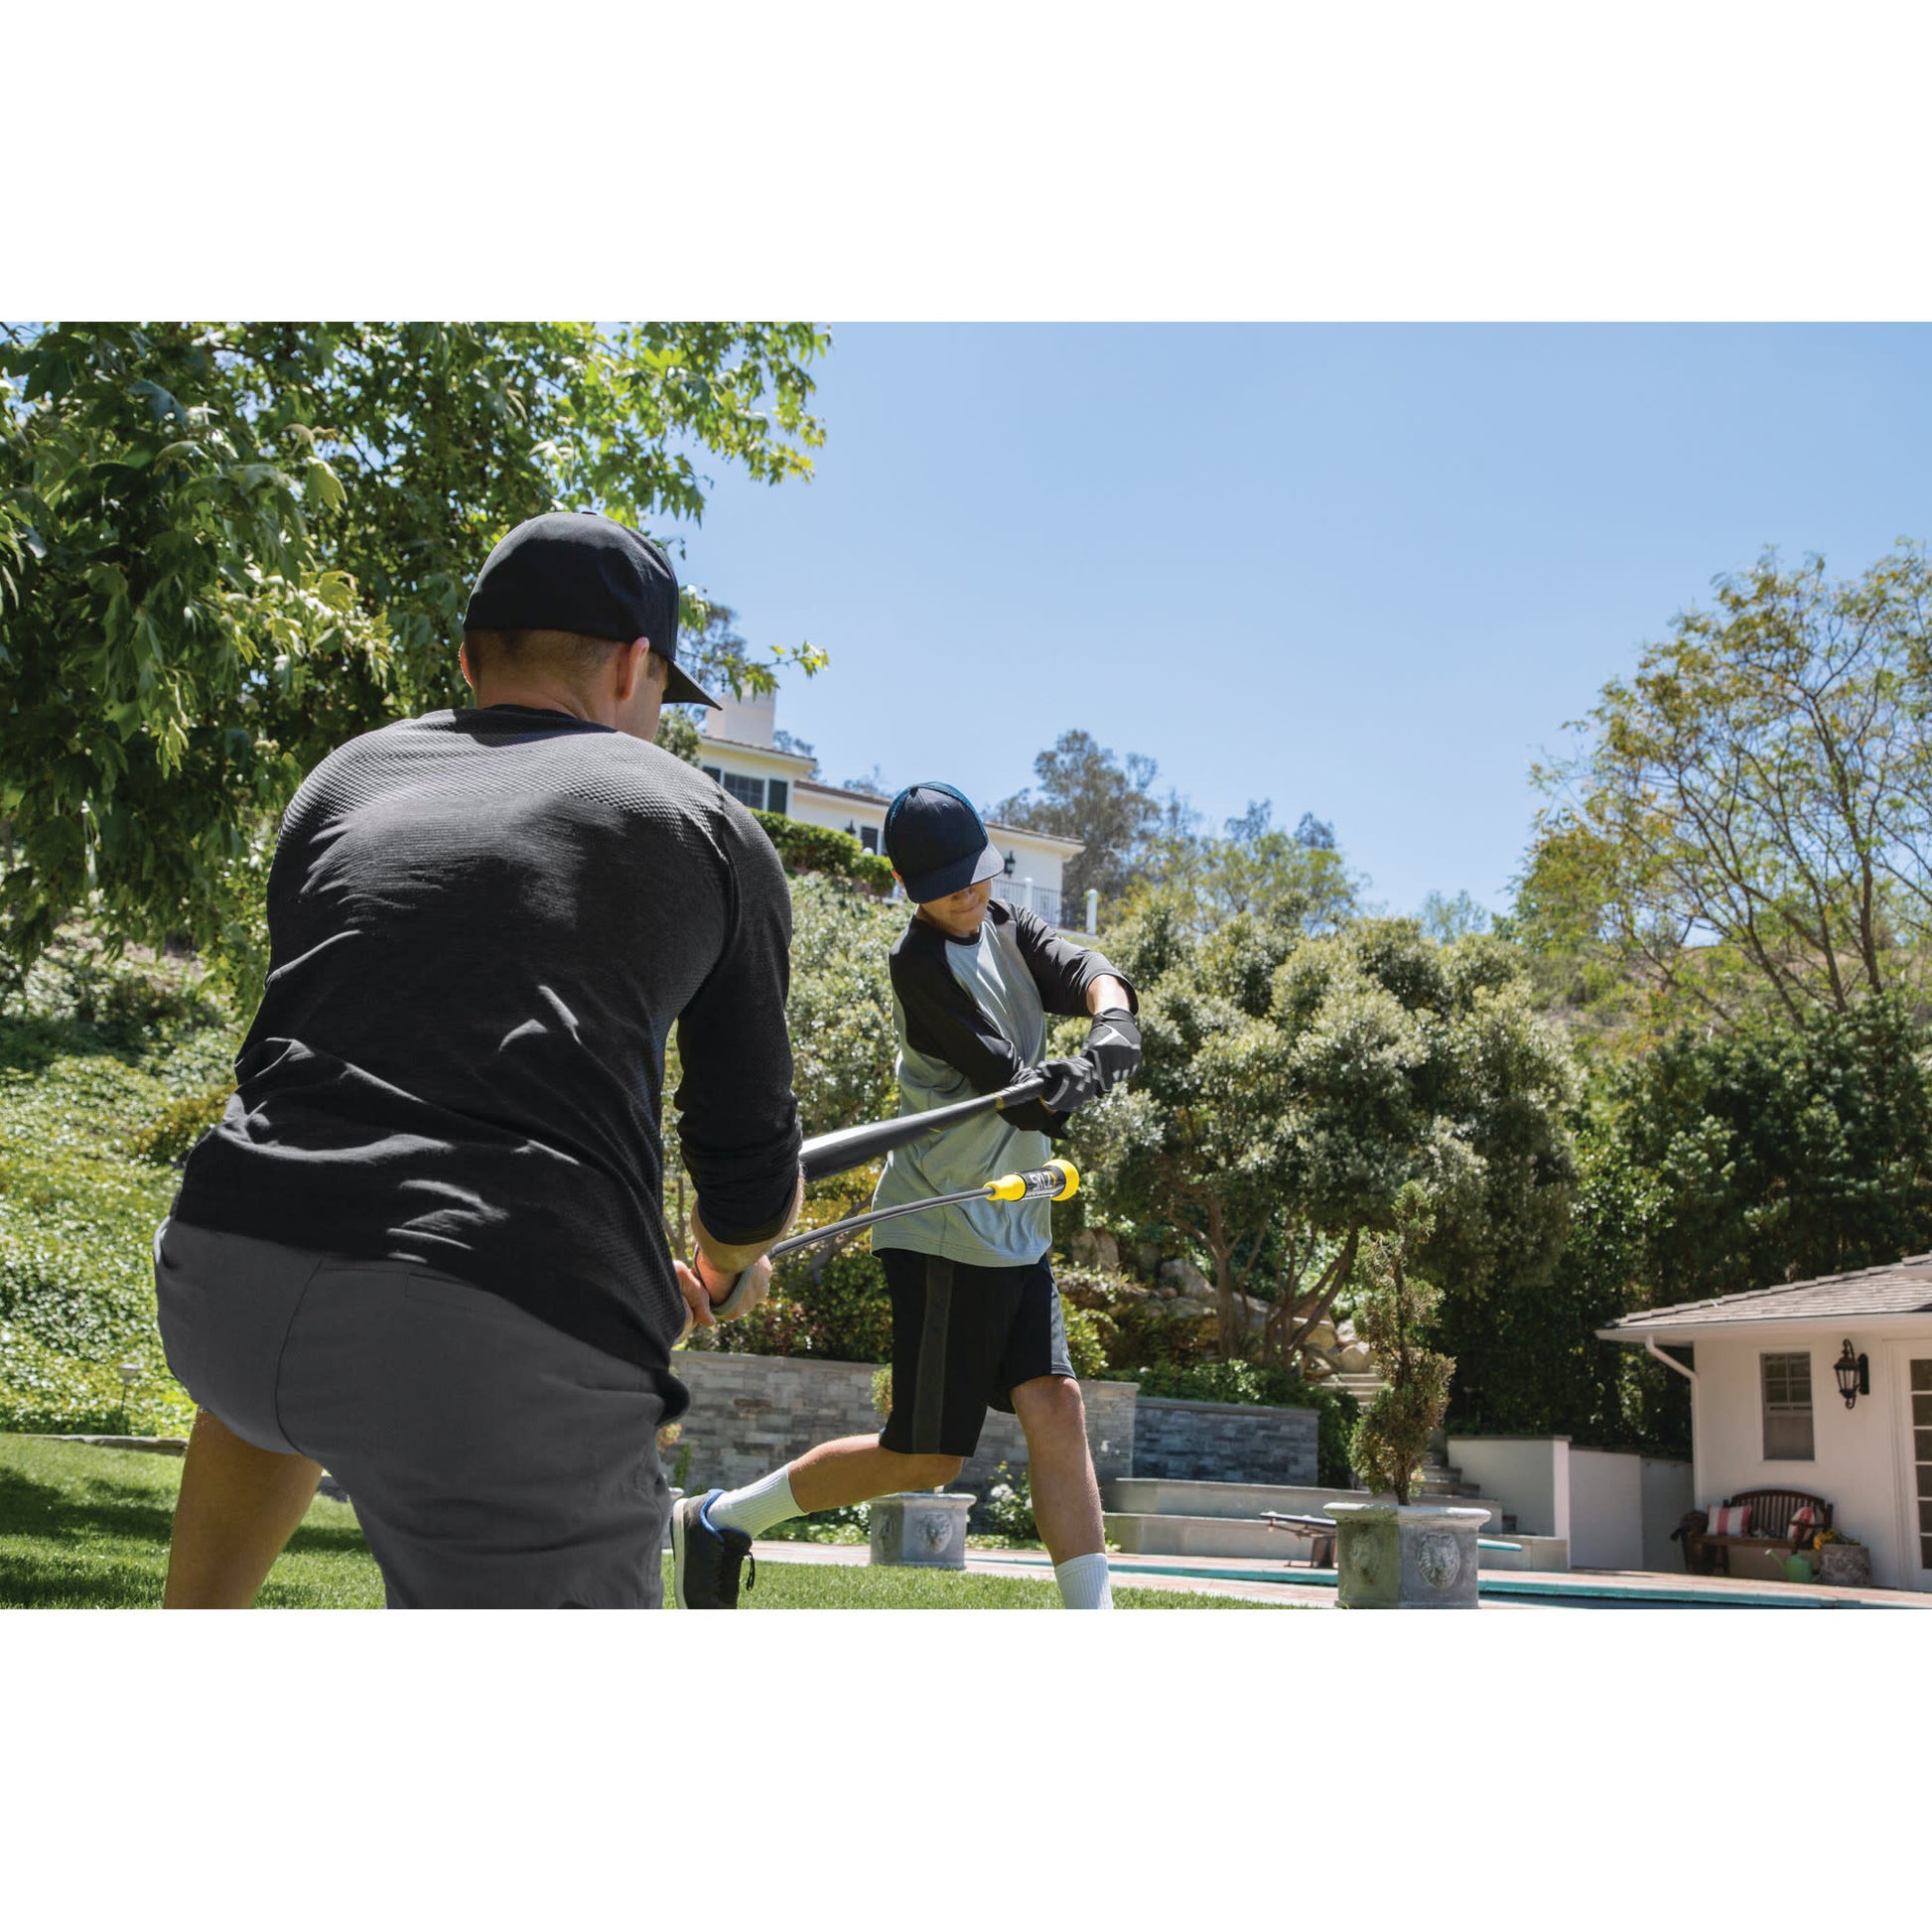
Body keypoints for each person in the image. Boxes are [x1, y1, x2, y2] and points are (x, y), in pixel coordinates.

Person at [155, 510, 802, 1609]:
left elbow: (337, 1069)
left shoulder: (348, 777)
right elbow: (741, 1176)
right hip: (465, 1326)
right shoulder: (703, 819)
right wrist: (733, 1262)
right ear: (637, 666)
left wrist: (613, 1258)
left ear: (468, 658)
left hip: (222, 1267)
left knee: (314, 1331)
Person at [672, 781, 1140, 1609]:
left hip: (1015, 1225)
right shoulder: (918, 965)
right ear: (912, 890)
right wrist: (1066, 1082)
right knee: (925, 1457)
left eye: (977, 874)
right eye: (947, 883)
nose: (969, 892)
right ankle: (719, 1517)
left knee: (1057, 1405)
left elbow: (1085, 967)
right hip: (944, 1229)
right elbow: (1017, 1087)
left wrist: (1112, 1026)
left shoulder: (1005, 923)